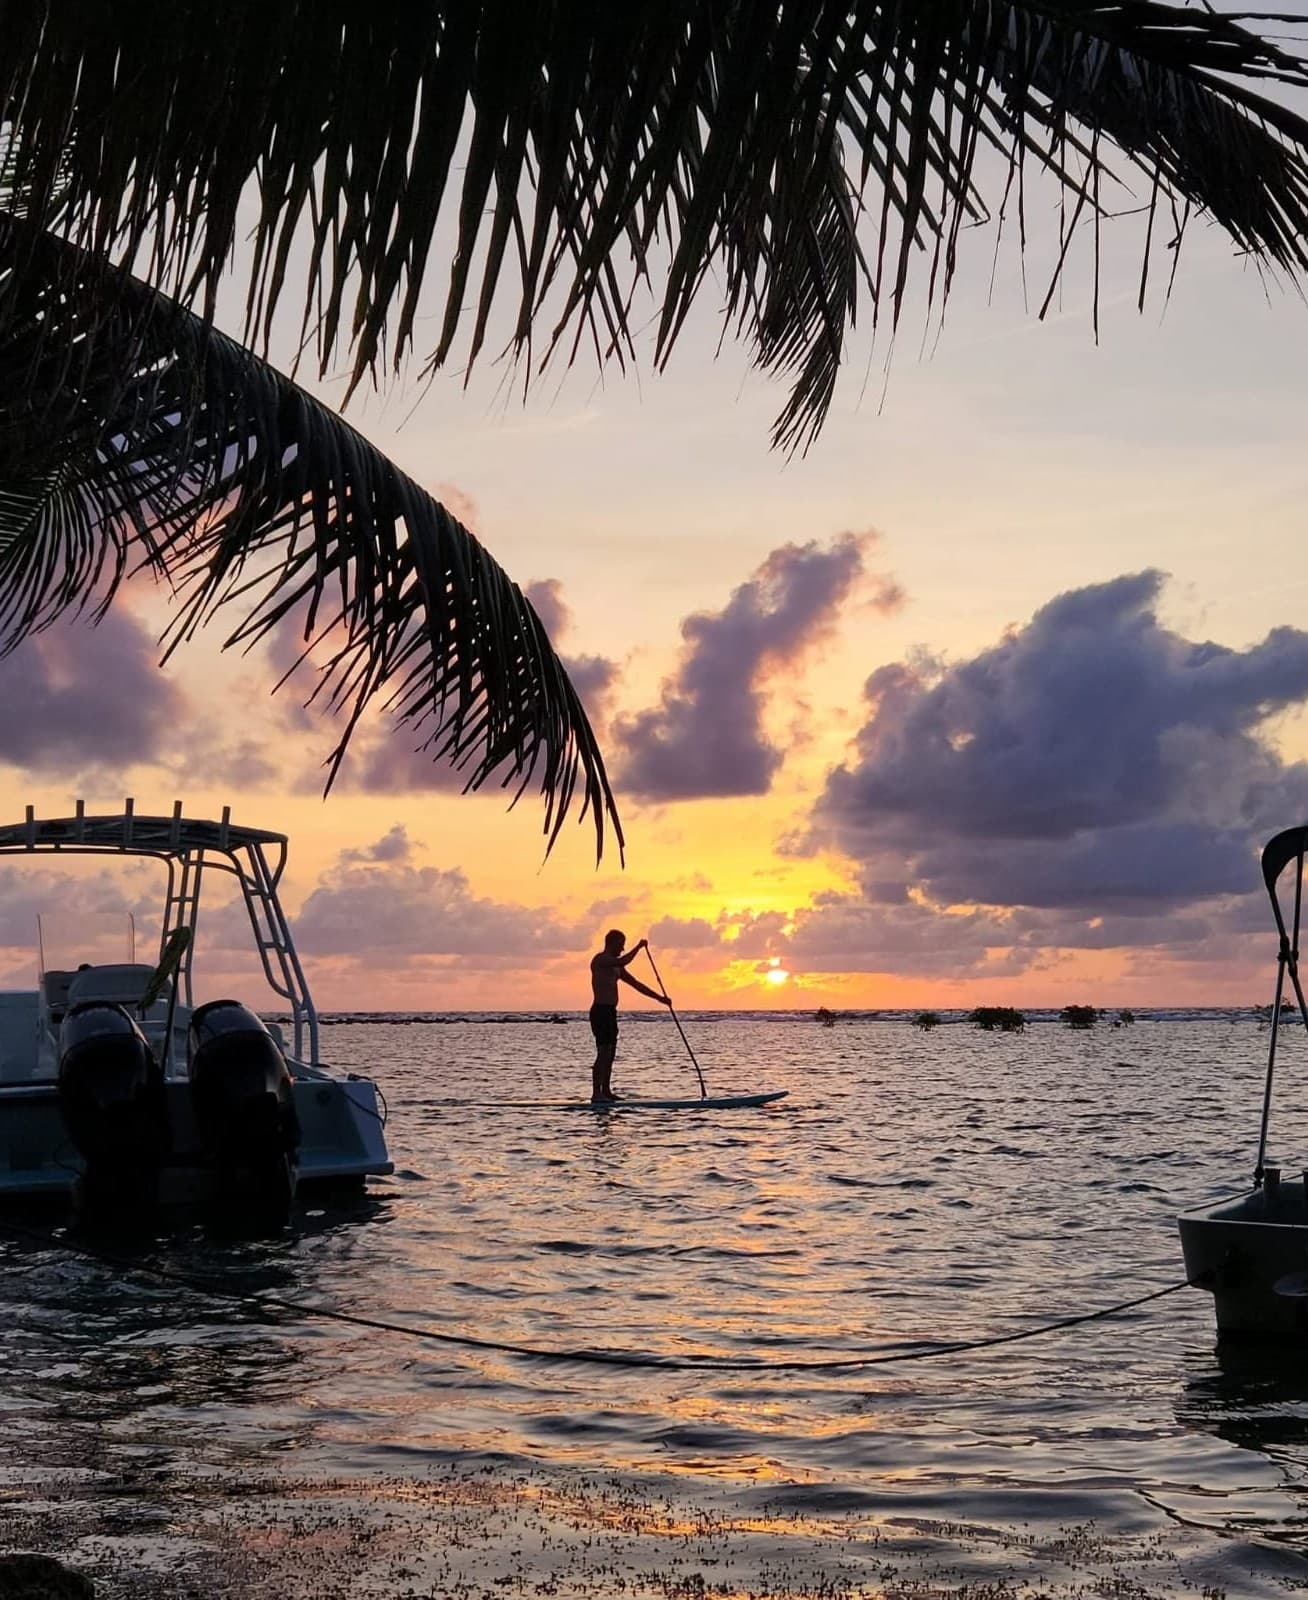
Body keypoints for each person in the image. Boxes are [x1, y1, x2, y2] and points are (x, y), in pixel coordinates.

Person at [589, 929, 671, 1102]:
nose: (623, 948)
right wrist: (639, 947)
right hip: (600, 1011)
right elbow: (624, 959)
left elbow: (637, 985)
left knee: (610, 1053)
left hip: (611, 1012)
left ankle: (606, 1091)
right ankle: (596, 1093)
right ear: (611, 943)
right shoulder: (600, 960)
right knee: (603, 1052)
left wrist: (660, 999)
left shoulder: (617, 968)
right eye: (620, 945)